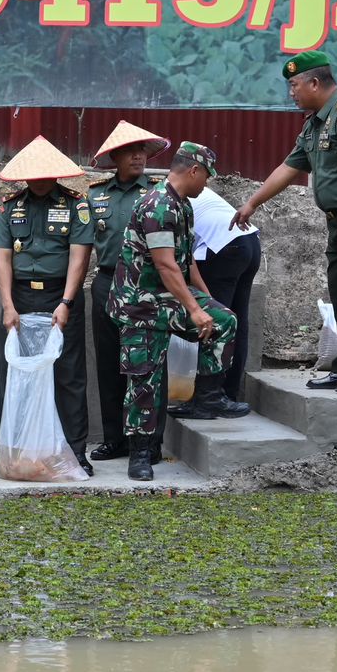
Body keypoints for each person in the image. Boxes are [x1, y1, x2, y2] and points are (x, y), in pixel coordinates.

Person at [230, 50, 337, 395]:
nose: (290, 92)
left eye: (294, 85)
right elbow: (289, 167)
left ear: (314, 82)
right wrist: (252, 202)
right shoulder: (315, 124)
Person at [112, 142, 250, 482]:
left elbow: (187, 265)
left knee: (224, 321)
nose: (207, 184)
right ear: (193, 170)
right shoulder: (158, 205)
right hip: (140, 303)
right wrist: (193, 308)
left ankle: (207, 396)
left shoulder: (183, 205)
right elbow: (165, 265)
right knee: (145, 380)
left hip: (170, 296)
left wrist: (208, 304)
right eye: (206, 176)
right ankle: (141, 453)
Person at [0, 135, 94, 477]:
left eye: (46, 173)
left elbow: (80, 257)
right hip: (19, 297)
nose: (39, 179)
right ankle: (7, 451)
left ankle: (76, 452)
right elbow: (3, 258)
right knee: (13, 374)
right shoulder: (10, 206)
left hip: (58, 297)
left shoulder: (76, 205)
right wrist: (7, 306)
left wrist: (66, 302)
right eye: (33, 174)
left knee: (68, 376)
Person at [85, 120, 170, 463]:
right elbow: (83, 243)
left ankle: (150, 443)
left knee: (148, 366)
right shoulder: (95, 195)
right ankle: (115, 439)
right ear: (116, 157)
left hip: (146, 285)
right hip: (106, 282)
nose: (138, 157)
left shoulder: (156, 192)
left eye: (143, 152)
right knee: (108, 365)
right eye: (131, 152)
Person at [186, 185, 261, 405]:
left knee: (216, 324)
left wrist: (207, 301)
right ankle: (229, 393)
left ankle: (210, 397)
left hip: (222, 247)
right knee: (237, 321)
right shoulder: (188, 190)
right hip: (249, 241)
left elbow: (179, 259)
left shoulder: (162, 200)